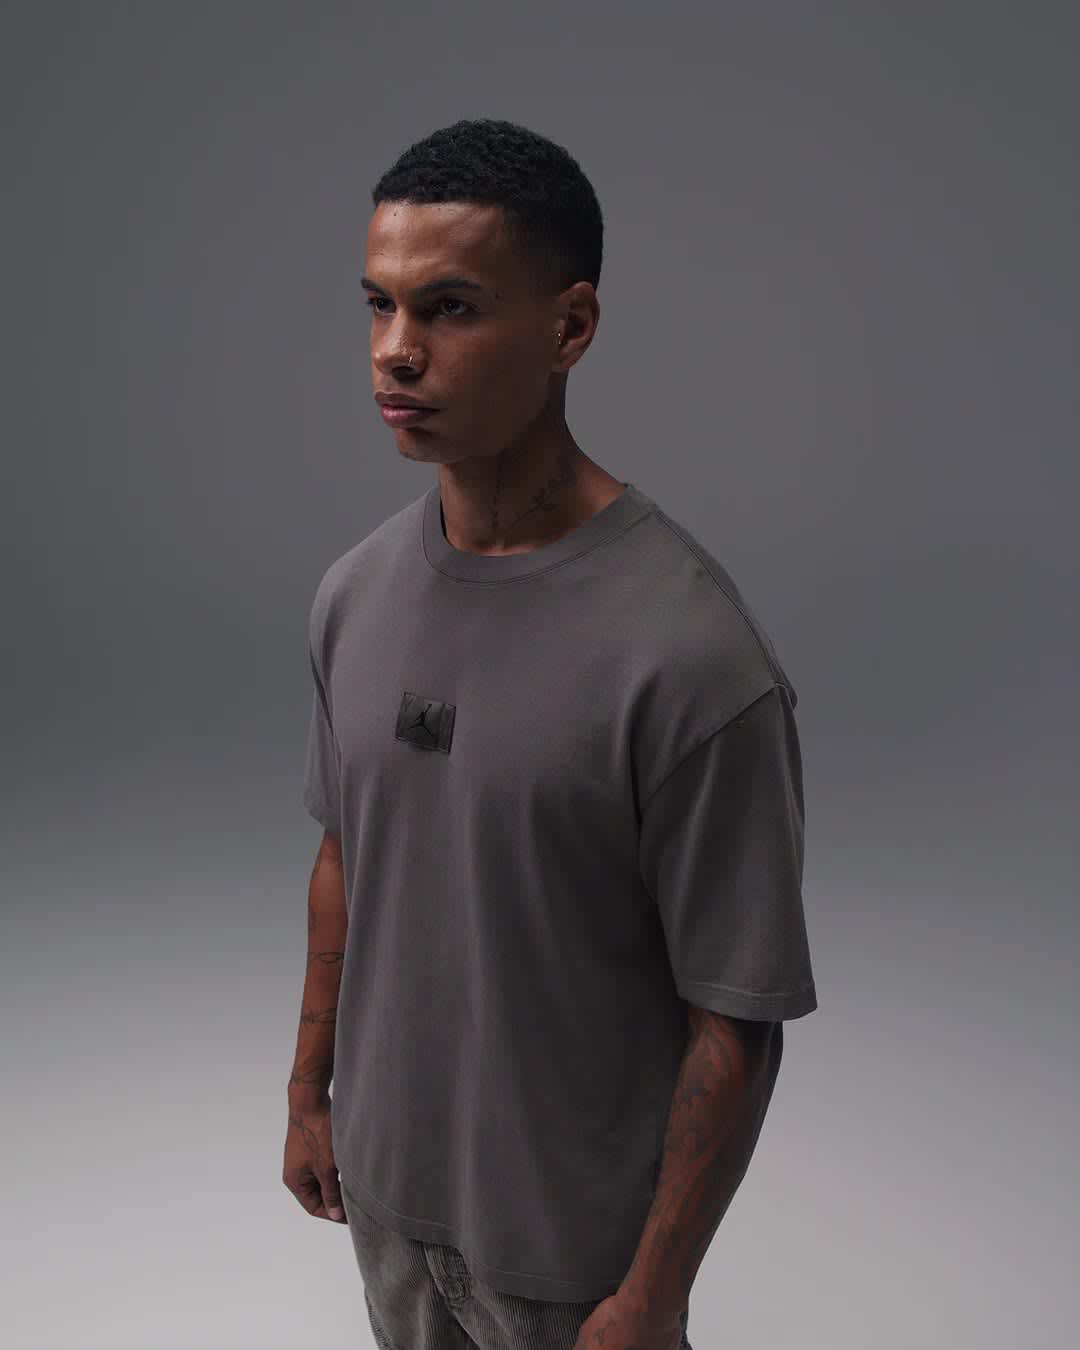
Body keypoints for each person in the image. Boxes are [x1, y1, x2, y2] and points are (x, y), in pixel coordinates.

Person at [283, 117, 818, 1350]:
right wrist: (310, 1096)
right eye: (379, 305)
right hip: (389, 1206)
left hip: (574, 1258)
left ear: (570, 328)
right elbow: (345, 855)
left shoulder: (692, 655)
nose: (397, 350)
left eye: (450, 308)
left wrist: (652, 1294)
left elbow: (735, 1015)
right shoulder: (353, 595)